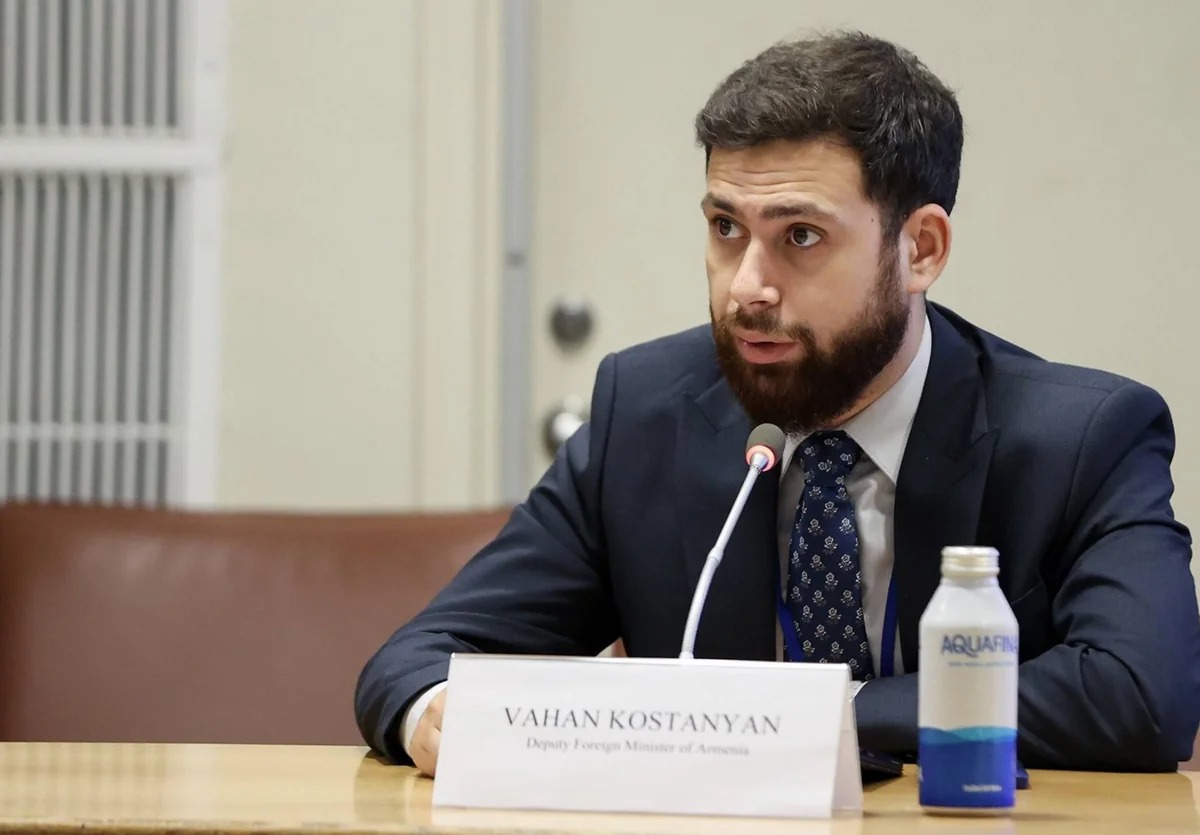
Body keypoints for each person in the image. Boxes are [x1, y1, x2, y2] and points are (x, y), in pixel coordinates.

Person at [355, 31, 1200, 775]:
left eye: (800, 236)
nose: (747, 288)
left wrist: (809, 714)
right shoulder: (645, 413)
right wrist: (433, 713)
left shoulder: (1083, 439)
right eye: (727, 228)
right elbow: (419, 659)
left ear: (920, 248)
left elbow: (1142, 693)